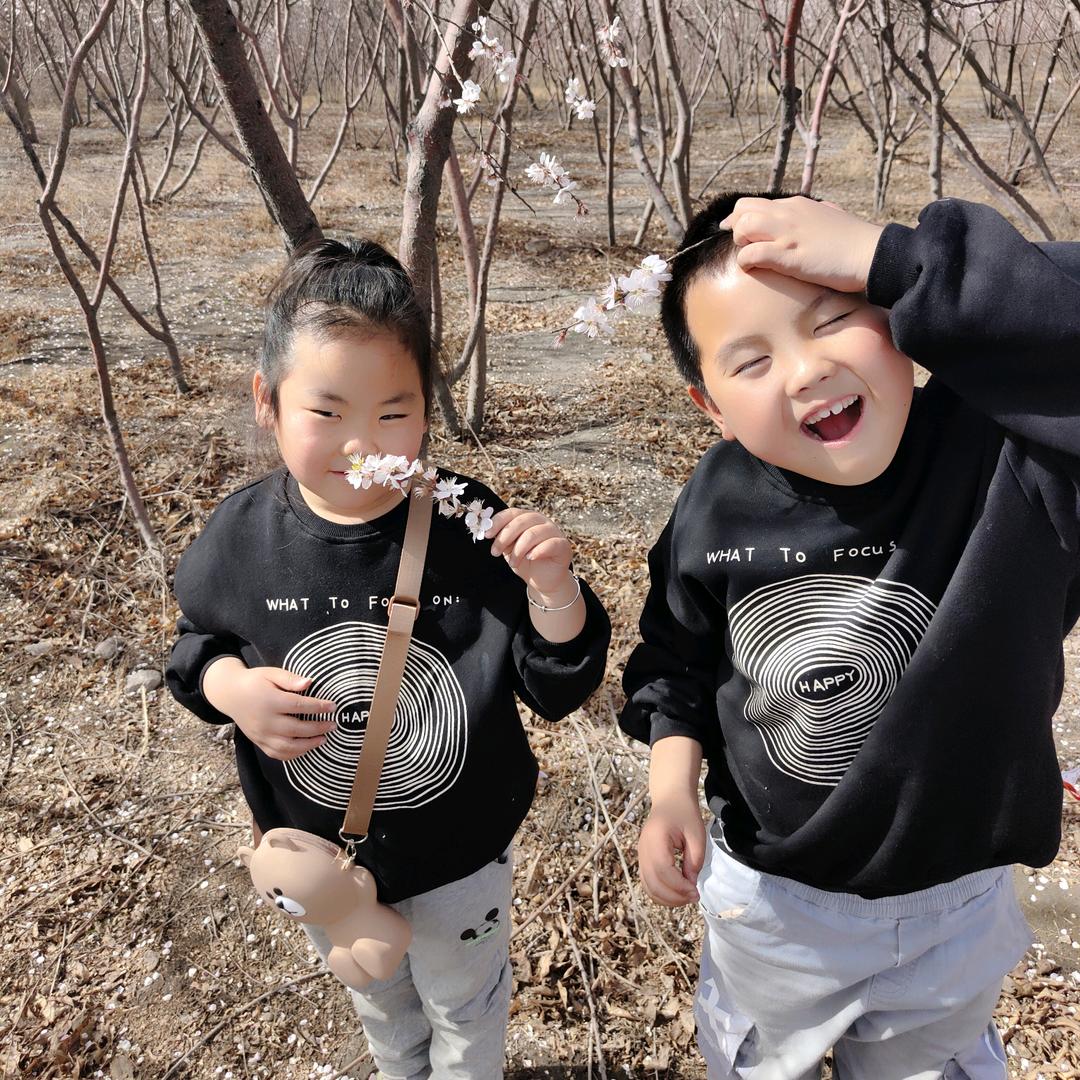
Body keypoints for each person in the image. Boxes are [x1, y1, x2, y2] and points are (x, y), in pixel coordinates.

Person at [620, 192, 1080, 1080]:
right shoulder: (717, 503)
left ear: (901, 315)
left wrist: (896, 256)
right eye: (752, 361)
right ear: (710, 406)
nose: (806, 370)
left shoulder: (1008, 454)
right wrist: (670, 788)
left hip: (956, 905)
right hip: (775, 906)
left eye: (835, 317)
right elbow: (676, 662)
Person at [166, 238, 610, 1080]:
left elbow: (555, 683)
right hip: (322, 860)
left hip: (460, 853)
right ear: (267, 402)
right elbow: (194, 648)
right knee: (378, 1000)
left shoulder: (464, 523)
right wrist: (232, 689)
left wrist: (554, 590)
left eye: (393, 414)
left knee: (466, 1008)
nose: (362, 445)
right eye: (327, 413)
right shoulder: (240, 537)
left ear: (427, 411)